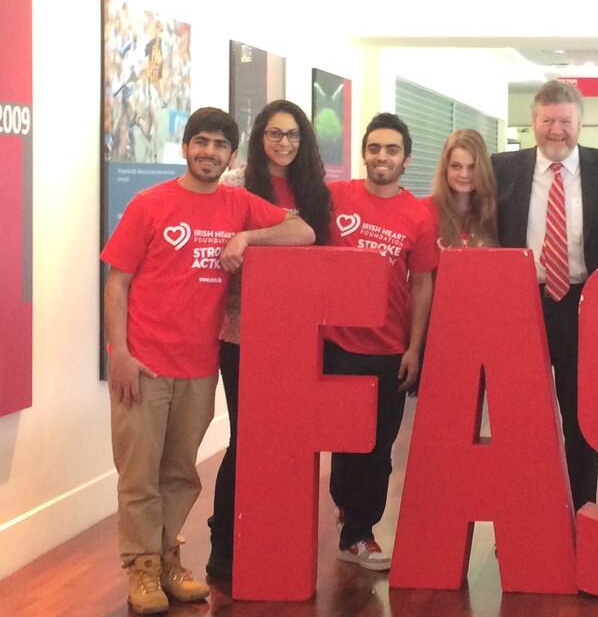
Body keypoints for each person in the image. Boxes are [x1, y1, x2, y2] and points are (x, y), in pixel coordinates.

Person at [101, 108, 314, 614]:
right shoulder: (149, 204)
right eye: (201, 142)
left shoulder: (238, 204)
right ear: (185, 147)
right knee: (139, 475)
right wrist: (120, 355)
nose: (209, 152)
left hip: (200, 366)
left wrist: (249, 236)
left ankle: (166, 558)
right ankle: (142, 568)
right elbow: (117, 283)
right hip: (145, 364)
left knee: (181, 474)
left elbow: (303, 232)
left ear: (231, 155)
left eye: (220, 145)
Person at [206, 100, 332, 583]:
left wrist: (250, 238)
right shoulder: (235, 185)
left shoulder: (312, 189)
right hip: (241, 331)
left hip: (297, 334)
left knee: (285, 442)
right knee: (246, 439)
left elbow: (310, 237)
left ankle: (271, 538)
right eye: (275, 133)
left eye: (293, 134)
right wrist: (244, 240)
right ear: (260, 138)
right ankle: (224, 545)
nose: (284, 143)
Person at [492, 80, 598, 510]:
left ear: (581, 123)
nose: (557, 130)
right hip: (522, 303)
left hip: (584, 305)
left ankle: (582, 512)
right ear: (533, 122)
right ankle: (527, 514)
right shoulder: (501, 168)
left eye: (565, 121)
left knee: (581, 416)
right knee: (521, 417)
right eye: (548, 120)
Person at [324, 112, 438, 571]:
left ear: (406, 159)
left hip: (388, 347)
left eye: (392, 149)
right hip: (336, 344)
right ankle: (348, 512)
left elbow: (422, 283)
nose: (382, 156)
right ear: (364, 154)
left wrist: (414, 347)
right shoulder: (337, 197)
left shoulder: (418, 215)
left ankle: (359, 533)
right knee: (342, 442)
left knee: (377, 447)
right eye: (374, 148)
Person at [428, 128, 499, 248]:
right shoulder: (424, 211)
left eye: (472, 167)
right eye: (456, 166)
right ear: (445, 168)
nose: (464, 174)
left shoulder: (492, 213)